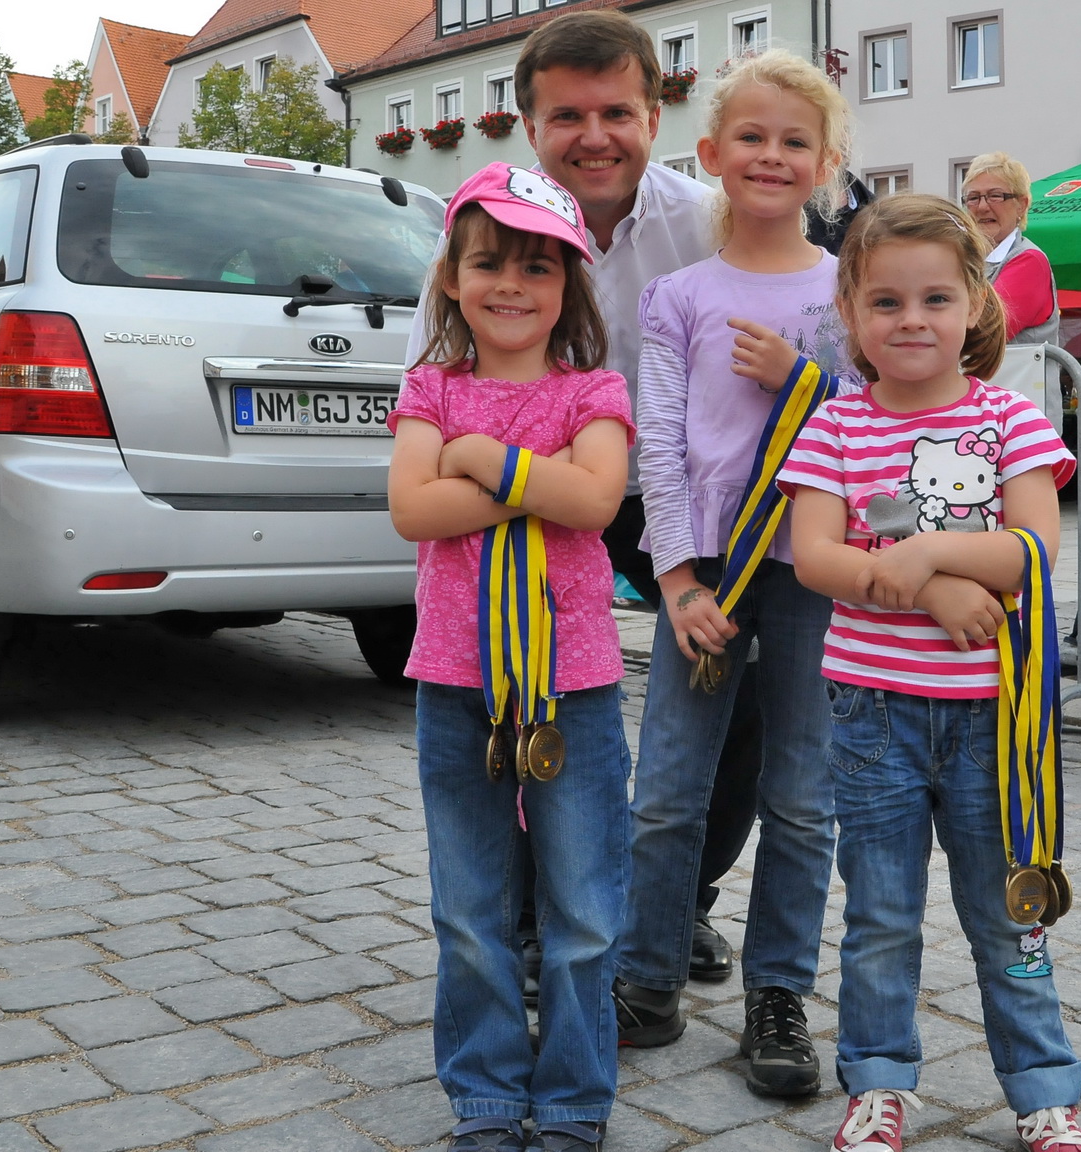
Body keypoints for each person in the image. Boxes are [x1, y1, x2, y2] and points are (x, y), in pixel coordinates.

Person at [435, 9, 754, 990]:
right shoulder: (483, 230)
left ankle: (674, 901)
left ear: (656, 114)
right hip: (543, 492)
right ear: (528, 126)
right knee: (534, 690)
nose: (593, 136)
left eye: (616, 110)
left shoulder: (709, 222)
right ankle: (537, 918)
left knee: (729, 700)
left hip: (691, 491)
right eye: (566, 116)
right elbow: (435, 377)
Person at [781, 193, 1081, 1152]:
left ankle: (1041, 1089)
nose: (910, 320)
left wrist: (923, 558)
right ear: (850, 311)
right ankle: (877, 1085)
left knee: (1009, 916)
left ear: (973, 305)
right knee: (878, 916)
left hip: (991, 715)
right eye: (884, 302)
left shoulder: (1009, 419)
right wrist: (927, 587)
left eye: (932, 299)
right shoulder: (836, 427)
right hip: (870, 711)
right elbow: (815, 558)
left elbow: (1037, 550)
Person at [614, 50, 852, 1098]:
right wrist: (673, 579)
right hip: (707, 572)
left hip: (815, 567)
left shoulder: (847, 285)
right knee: (669, 787)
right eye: (750, 138)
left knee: (802, 796)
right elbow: (657, 444)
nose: (770, 155)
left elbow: (884, 412)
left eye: (793, 140)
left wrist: (803, 377)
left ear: (826, 163)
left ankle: (777, 997)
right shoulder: (677, 295)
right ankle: (646, 974)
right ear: (710, 155)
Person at [388, 166, 632, 1152]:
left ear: (570, 283)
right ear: (451, 276)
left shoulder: (595, 388)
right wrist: (545, 480)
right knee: (470, 907)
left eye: (537, 267)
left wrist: (483, 463)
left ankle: (573, 1100)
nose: (511, 286)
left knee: (581, 910)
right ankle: (486, 1096)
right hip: (456, 683)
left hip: (572, 688)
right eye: (488, 263)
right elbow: (414, 509)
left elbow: (597, 503)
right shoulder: (427, 386)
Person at [961, 152, 1058, 343]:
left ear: (1022, 205)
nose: (982, 207)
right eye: (973, 198)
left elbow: (983, 334)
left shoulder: (1029, 261)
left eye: (995, 196)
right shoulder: (964, 260)